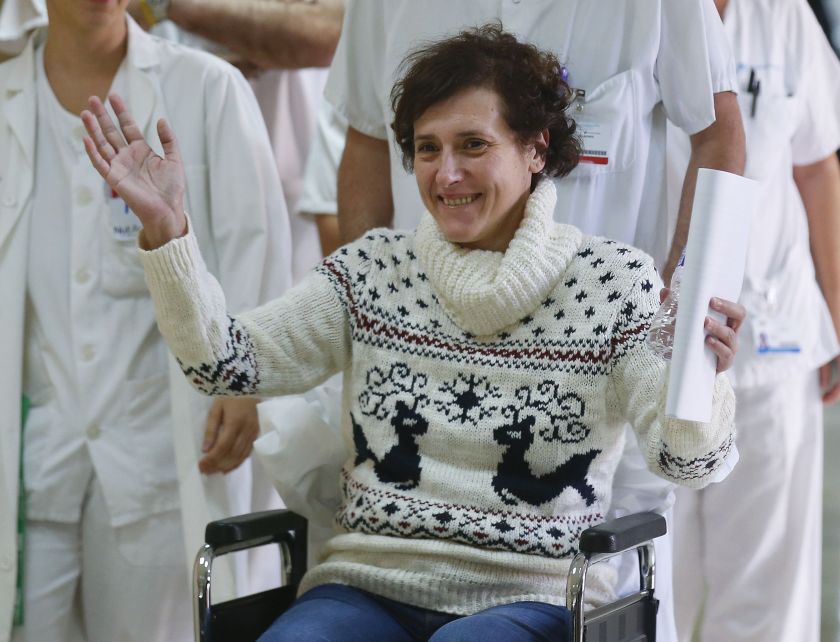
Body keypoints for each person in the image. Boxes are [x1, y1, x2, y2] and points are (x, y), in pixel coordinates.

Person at [82, 25, 744, 641]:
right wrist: (168, 237)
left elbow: (687, 461)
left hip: (532, 595)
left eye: (473, 145)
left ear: (536, 148)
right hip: (364, 587)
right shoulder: (375, 272)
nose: (446, 174)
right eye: (428, 149)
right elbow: (225, 366)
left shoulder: (612, 285)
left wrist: (704, 374)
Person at [323, 3, 746, 638]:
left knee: (615, 588)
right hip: (433, 367)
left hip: (601, 381)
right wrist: (371, 313)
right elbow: (364, 136)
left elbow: (718, 131)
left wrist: (682, 310)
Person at [0, 0, 292, 639]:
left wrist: (246, 387)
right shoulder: (5, 98)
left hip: (163, 449)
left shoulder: (206, 86)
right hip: (35, 449)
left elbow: (257, 244)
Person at [668, 1, 840, 640]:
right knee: (650, 583)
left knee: (770, 594)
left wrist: (836, 315)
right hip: (653, 347)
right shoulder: (625, 14)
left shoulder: (781, 14)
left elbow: (817, 163)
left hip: (776, 335)